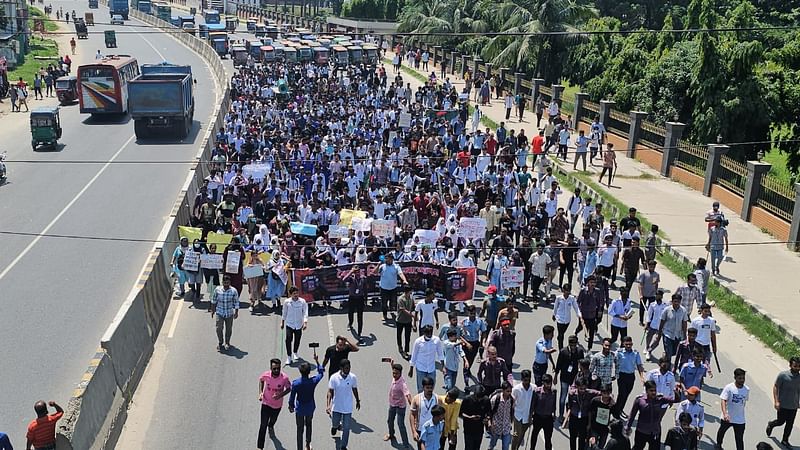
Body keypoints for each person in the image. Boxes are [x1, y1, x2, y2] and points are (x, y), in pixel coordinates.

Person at [288, 355, 325, 450]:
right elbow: (321, 373)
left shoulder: (296, 383)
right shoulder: (313, 381)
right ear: (309, 372)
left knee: (299, 429)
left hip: (300, 409)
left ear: (300, 371)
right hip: (310, 407)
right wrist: (317, 362)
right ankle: (308, 444)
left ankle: (299, 448)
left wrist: (291, 406)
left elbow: (292, 397)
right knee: (309, 424)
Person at [624, 381, 673, 450]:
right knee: (638, 448)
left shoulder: (660, 399)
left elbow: (675, 400)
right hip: (641, 431)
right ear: (646, 391)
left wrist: (675, 391)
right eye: (651, 390)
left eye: (655, 390)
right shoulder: (640, 400)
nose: (653, 392)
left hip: (655, 432)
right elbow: (632, 415)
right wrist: (628, 427)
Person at [257, 358, 291, 448]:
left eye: (278, 368)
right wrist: (260, 392)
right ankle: (260, 447)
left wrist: (280, 395)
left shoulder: (284, 378)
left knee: (273, 420)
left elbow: (289, 388)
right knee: (263, 425)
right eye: (274, 368)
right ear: (270, 368)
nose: (276, 370)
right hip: (266, 403)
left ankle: (271, 426)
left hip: (277, 406)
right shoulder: (266, 375)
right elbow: (261, 380)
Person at [327, 359, 360, 450]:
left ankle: (343, 446)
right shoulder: (334, 377)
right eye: (346, 368)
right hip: (336, 406)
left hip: (347, 407)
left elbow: (354, 389)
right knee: (335, 423)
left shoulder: (352, 377)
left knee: (346, 428)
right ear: (341, 368)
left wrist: (358, 400)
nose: (348, 370)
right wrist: (328, 405)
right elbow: (330, 391)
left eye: (349, 368)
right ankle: (335, 426)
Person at [767, 356, 800, 448]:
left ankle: (785, 440)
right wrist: (776, 401)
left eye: (798, 366)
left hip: (793, 406)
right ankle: (771, 424)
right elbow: (776, 387)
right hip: (783, 404)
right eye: (795, 366)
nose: (797, 368)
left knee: (790, 424)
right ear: (790, 365)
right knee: (781, 422)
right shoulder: (783, 375)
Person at [554, 335, 586, 420]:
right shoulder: (563, 351)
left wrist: (582, 375)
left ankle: (569, 414)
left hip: (574, 378)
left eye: (574, 345)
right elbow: (558, 364)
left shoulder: (580, 351)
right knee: (563, 397)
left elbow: (582, 364)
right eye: (571, 345)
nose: (573, 347)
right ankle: (561, 415)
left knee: (571, 397)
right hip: (564, 377)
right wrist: (555, 376)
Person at [717, 368, 749, 450]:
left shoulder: (746, 389)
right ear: (735, 377)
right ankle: (718, 444)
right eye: (740, 378)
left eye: (743, 378)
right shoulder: (729, 388)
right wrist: (725, 414)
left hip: (740, 419)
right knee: (722, 432)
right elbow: (723, 400)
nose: (742, 380)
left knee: (739, 439)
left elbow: (744, 402)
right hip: (728, 417)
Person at [564, 377, 600, 450]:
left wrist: (610, 396)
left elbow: (600, 393)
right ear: (577, 387)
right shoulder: (572, 394)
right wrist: (566, 419)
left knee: (582, 439)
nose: (582, 390)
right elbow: (569, 406)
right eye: (580, 388)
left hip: (584, 419)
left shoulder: (590, 393)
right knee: (572, 438)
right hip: (574, 418)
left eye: (584, 388)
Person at [614, 336, 645, 418]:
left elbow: (639, 365)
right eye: (626, 344)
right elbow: (614, 362)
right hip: (622, 376)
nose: (628, 346)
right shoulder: (619, 352)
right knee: (622, 394)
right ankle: (616, 412)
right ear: (623, 344)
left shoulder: (635, 353)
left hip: (631, 376)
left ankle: (620, 409)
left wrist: (642, 377)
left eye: (630, 344)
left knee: (626, 395)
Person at [410, 377, 445, 448]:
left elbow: (442, 415)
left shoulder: (438, 399)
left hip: (434, 429)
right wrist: (414, 431)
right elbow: (412, 415)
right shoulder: (416, 399)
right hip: (420, 430)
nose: (430, 390)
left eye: (431, 388)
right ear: (423, 387)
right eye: (427, 387)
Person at [384, 361, 412, 448]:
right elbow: (394, 367)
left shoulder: (402, 384)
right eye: (393, 373)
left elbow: (408, 394)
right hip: (392, 404)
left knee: (401, 424)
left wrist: (413, 406)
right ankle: (391, 435)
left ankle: (406, 444)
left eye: (396, 373)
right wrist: (391, 363)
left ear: (400, 373)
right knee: (389, 421)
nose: (394, 375)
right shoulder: (395, 377)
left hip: (400, 406)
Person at [409, 325, 444, 392]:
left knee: (431, 388)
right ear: (424, 333)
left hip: (431, 368)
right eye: (428, 333)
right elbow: (414, 355)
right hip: (421, 368)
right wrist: (411, 369)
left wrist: (443, 366)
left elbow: (440, 354)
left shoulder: (436, 340)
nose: (430, 334)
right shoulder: (418, 342)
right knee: (421, 389)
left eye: (431, 332)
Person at [210, 274, 239, 352]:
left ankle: (227, 342)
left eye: (228, 283)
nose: (226, 284)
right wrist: (212, 310)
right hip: (220, 312)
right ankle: (220, 342)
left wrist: (236, 312)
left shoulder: (233, 291)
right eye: (225, 282)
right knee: (218, 328)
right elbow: (214, 300)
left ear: (230, 283)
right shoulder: (217, 290)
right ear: (222, 282)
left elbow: (236, 302)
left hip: (229, 313)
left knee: (228, 329)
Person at [462, 304, 488, 387]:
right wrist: (466, 343)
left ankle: (468, 370)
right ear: (468, 313)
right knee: (466, 362)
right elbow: (459, 335)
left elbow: (484, 332)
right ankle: (466, 384)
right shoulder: (463, 322)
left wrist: (483, 341)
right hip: (466, 343)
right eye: (471, 313)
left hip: (475, 343)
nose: (472, 315)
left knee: (471, 360)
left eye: (474, 313)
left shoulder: (480, 321)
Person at [529, 373, 557, 450]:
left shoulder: (554, 392)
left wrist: (554, 414)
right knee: (534, 435)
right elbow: (532, 405)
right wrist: (530, 416)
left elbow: (554, 404)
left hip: (548, 418)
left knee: (548, 438)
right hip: (538, 417)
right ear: (543, 383)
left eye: (550, 383)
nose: (549, 385)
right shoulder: (537, 391)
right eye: (547, 383)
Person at [658, 294, 688, 362]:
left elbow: (684, 323)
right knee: (669, 353)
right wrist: (659, 334)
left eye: (678, 302)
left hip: (678, 335)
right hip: (667, 334)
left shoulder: (683, 311)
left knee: (675, 352)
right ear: (672, 301)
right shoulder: (667, 310)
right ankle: (668, 369)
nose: (676, 303)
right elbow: (662, 322)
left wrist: (685, 336)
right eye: (675, 301)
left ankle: (665, 355)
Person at [510, 370, 534, 450]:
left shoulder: (534, 388)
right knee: (516, 435)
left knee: (522, 434)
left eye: (529, 380)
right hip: (518, 416)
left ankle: (517, 448)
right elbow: (512, 403)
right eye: (525, 380)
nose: (527, 382)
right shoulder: (516, 389)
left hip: (527, 417)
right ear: (522, 379)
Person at [379, 253, 408, 320]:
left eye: (388, 259)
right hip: (384, 288)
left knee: (393, 302)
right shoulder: (382, 266)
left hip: (393, 288)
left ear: (392, 259)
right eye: (386, 259)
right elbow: (375, 272)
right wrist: (378, 265)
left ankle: (392, 311)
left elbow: (401, 273)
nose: (386, 260)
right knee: (384, 303)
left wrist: (404, 280)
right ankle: (384, 315)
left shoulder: (396, 266)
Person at [488, 381, 514, 450]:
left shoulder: (511, 400)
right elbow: (489, 412)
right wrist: (490, 423)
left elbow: (512, 411)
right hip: (496, 427)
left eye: (510, 391)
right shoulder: (495, 399)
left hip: (506, 427)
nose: (509, 393)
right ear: (503, 390)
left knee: (505, 447)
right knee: (492, 445)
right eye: (507, 391)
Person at [589, 384, 616, 448]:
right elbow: (590, 412)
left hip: (605, 429)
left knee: (601, 446)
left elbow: (615, 415)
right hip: (594, 427)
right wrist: (589, 424)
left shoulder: (612, 403)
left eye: (608, 393)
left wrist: (613, 403)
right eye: (604, 393)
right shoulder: (595, 400)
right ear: (601, 392)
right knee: (592, 445)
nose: (606, 395)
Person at [343, 266, 366, 341]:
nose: (357, 273)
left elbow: (365, 289)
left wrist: (366, 299)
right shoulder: (351, 279)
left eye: (358, 271)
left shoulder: (363, 278)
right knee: (350, 312)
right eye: (355, 272)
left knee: (360, 316)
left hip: (360, 298)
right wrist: (351, 272)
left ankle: (359, 332)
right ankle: (350, 323)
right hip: (352, 298)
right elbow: (344, 279)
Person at [397, 286, 416, 357]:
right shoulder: (401, 299)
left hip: (408, 320)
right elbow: (403, 310)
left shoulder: (411, 298)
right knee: (399, 335)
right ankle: (400, 346)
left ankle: (406, 350)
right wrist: (413, 316)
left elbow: (414, 306)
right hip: (400, 320)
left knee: (407, 336)